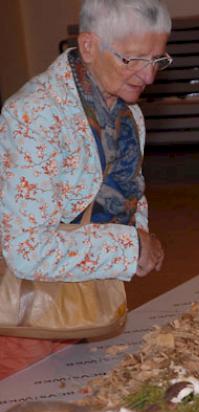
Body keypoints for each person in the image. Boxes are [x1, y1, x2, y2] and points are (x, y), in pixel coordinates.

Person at [0, 0, 169, 377]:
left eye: (158, 59)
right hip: (19, 320)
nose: (149, 76)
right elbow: (28, 251)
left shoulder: (128, 115)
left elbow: (126, 191)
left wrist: (136, 233)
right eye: (134, 60)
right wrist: (130, 247)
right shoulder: (34, 115)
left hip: (76, 309)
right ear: (89, 46)